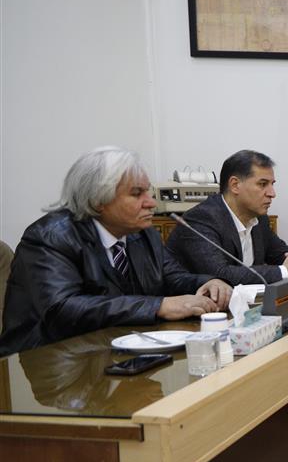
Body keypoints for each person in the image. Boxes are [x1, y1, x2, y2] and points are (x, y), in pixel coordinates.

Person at [0, 147, 232, 356]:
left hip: (120, 348)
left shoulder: (143, 233)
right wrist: (158, 306)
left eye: (148, 192)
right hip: (48, 359)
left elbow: (171, 277)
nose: (151, 203)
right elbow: (63, 309)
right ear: (98, 200)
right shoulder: (50, 237)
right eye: (137, 194)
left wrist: (207, 282)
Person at [167, 150, 288, 285]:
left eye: (272, 184)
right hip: (195, 304)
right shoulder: (201, 219)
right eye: (263, 184)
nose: (272, 193)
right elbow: (219, 275)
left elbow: (280, 254)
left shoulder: (259, 219)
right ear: (235, 185)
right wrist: (285, 272)